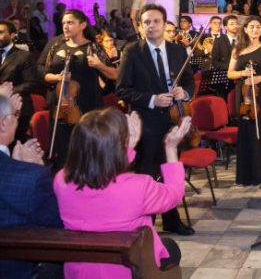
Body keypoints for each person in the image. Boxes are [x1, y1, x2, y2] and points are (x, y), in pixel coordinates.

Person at [54, 109, 189, 278]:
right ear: (118, 147)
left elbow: (102, 163)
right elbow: (175, 193)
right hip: (128, 270)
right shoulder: (138, 186)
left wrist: (129, 145)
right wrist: (171, 148)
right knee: (171, 248)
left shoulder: (61, 180)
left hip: (81, 271)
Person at [115, 4, 195, 235]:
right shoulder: (132, 51)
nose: (151, 26)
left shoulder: (177, 50)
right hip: (146, 122)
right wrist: (152, 99)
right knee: (148, 173)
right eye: (146, 22)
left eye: (156, 21)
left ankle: (171, 220)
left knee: (170, 170)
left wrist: (184, 93)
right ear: (141, 27)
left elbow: (189, 81)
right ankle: (145, 222)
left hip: (173, 120)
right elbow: (122, 89)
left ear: (164, 23)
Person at [0, 88, 62, 279]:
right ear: (3, 123)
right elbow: (59, 223)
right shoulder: (32, 177)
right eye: (15, 115)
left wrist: (16, 164)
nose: (17, 121)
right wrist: (35, 168)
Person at [44, 9, 117, 170]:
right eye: (64, 23)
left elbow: (114, 74)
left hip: (87, 104)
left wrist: (99, 65)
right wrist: (57, 77)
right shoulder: (56, 46)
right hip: (61, 105)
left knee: (86, 150)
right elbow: (45, 74)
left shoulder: (93, 47)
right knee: (62, 150)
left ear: (83, 25)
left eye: (70, 23)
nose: (65, 26)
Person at [227, 15, 261, 185]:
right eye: (251, 26)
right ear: (245, 29)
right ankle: (244, 176)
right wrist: (243, 73)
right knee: (245, 134)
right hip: (243, 96)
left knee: (259, 136)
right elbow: (230, 73)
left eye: (258, 27)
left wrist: (260, 78)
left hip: (260, 95)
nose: (255, 29)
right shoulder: (237, 49)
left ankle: (259, 175)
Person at [0, 21, 39, 141]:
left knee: (13, 147)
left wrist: (5, 92)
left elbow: (31, 83)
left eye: (1, 32)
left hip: (18, 110)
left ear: (12, 35)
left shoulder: (24, 56)